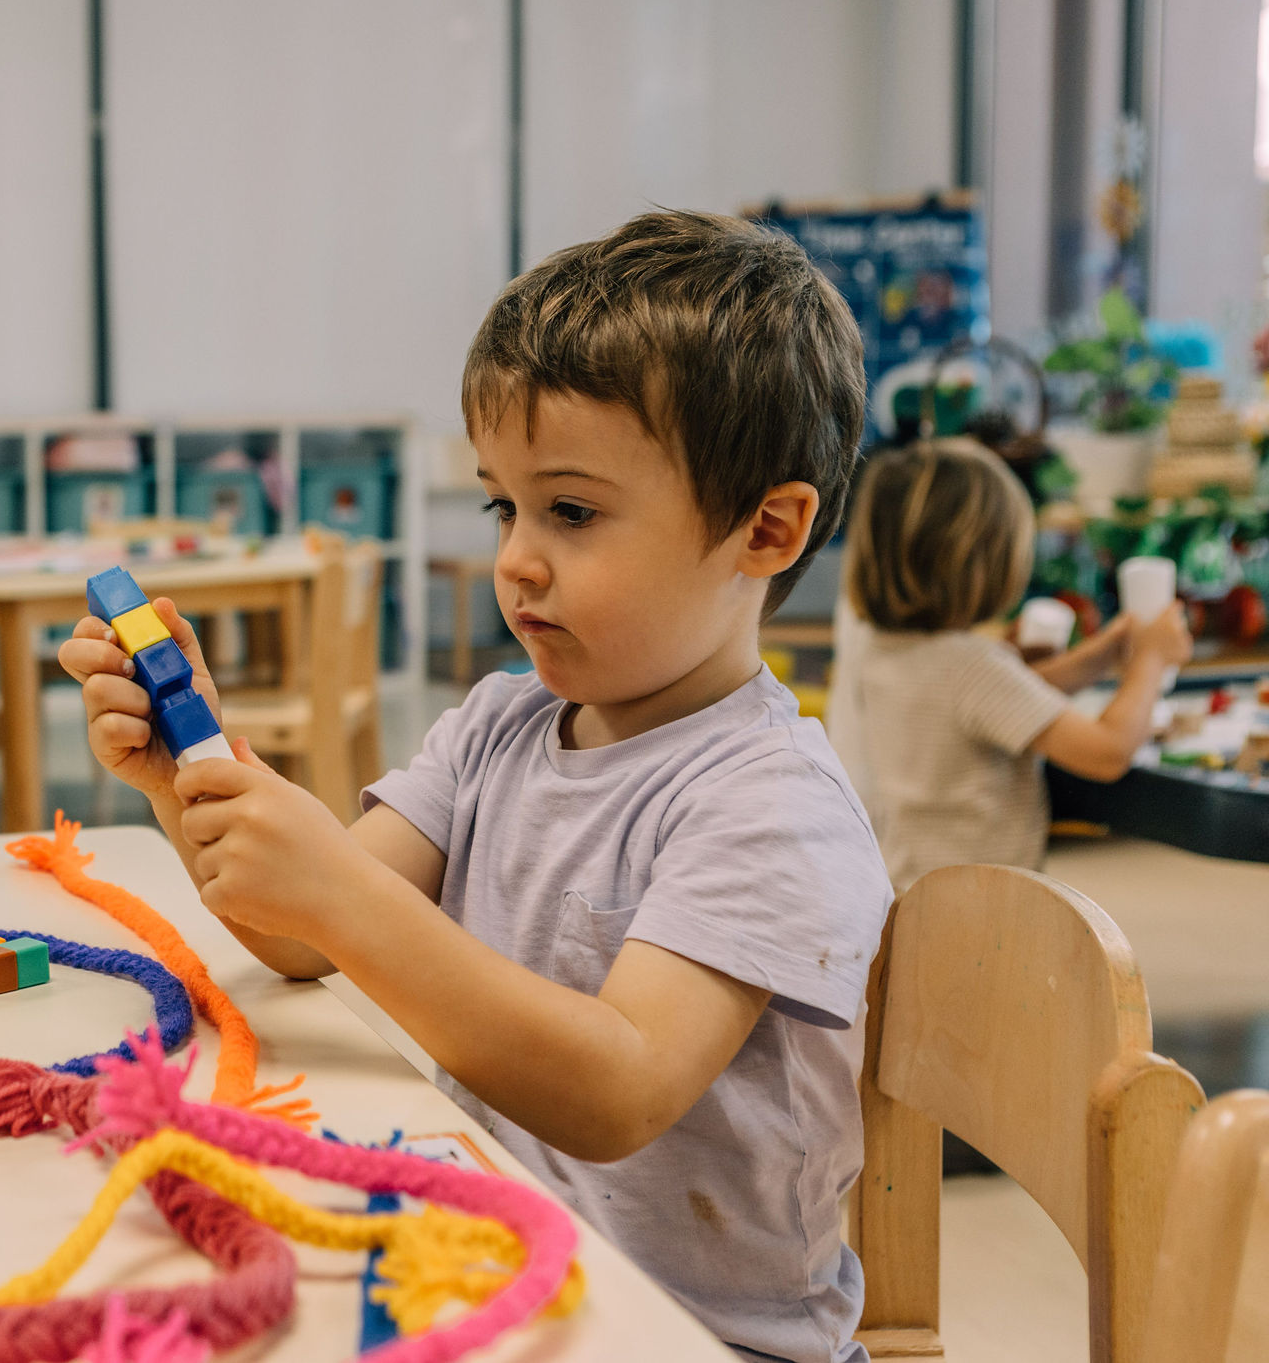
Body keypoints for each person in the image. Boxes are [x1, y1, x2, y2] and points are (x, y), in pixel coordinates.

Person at [64, 212, 894, 1363]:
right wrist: (187, 770)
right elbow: (300, 938)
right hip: (502, 1278)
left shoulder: (768, 801)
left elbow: (617, 1091)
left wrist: (339, 893)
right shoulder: (499, 725)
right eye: (503, 505)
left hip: (696, 1339)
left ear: (765, 529)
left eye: (571, 512)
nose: (514, 558)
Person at [826, 437, 1191, 892]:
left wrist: (1102, 655)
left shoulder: (888, 649)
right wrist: (1150, 663)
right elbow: (1107, 753)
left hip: (914, 893)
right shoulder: (971, 666)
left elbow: (1009, 700)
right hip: (988, 908)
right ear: (983, 562)